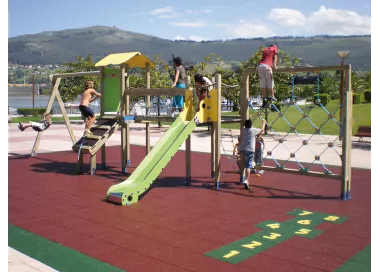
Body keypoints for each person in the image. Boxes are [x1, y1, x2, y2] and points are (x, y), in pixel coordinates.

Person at [239, 118, 266, 189]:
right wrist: (263, 122)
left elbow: (246, 125)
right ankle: (246, 180)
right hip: (249, 150)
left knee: (244, 165)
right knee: (248, 166)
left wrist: (249, 118)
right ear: (251, 125)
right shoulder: (253, 130)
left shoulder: (243, 130)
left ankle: (243, 177)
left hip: (242, 149)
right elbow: (262, 130)